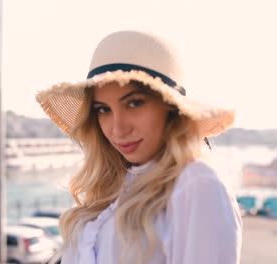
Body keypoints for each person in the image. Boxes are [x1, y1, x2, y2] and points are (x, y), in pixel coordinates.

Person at [36, 31, 242, 264]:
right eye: (103, 109)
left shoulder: (197, 183)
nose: (117, 129)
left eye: (134, 103)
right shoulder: (114, 184)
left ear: (171, 108)